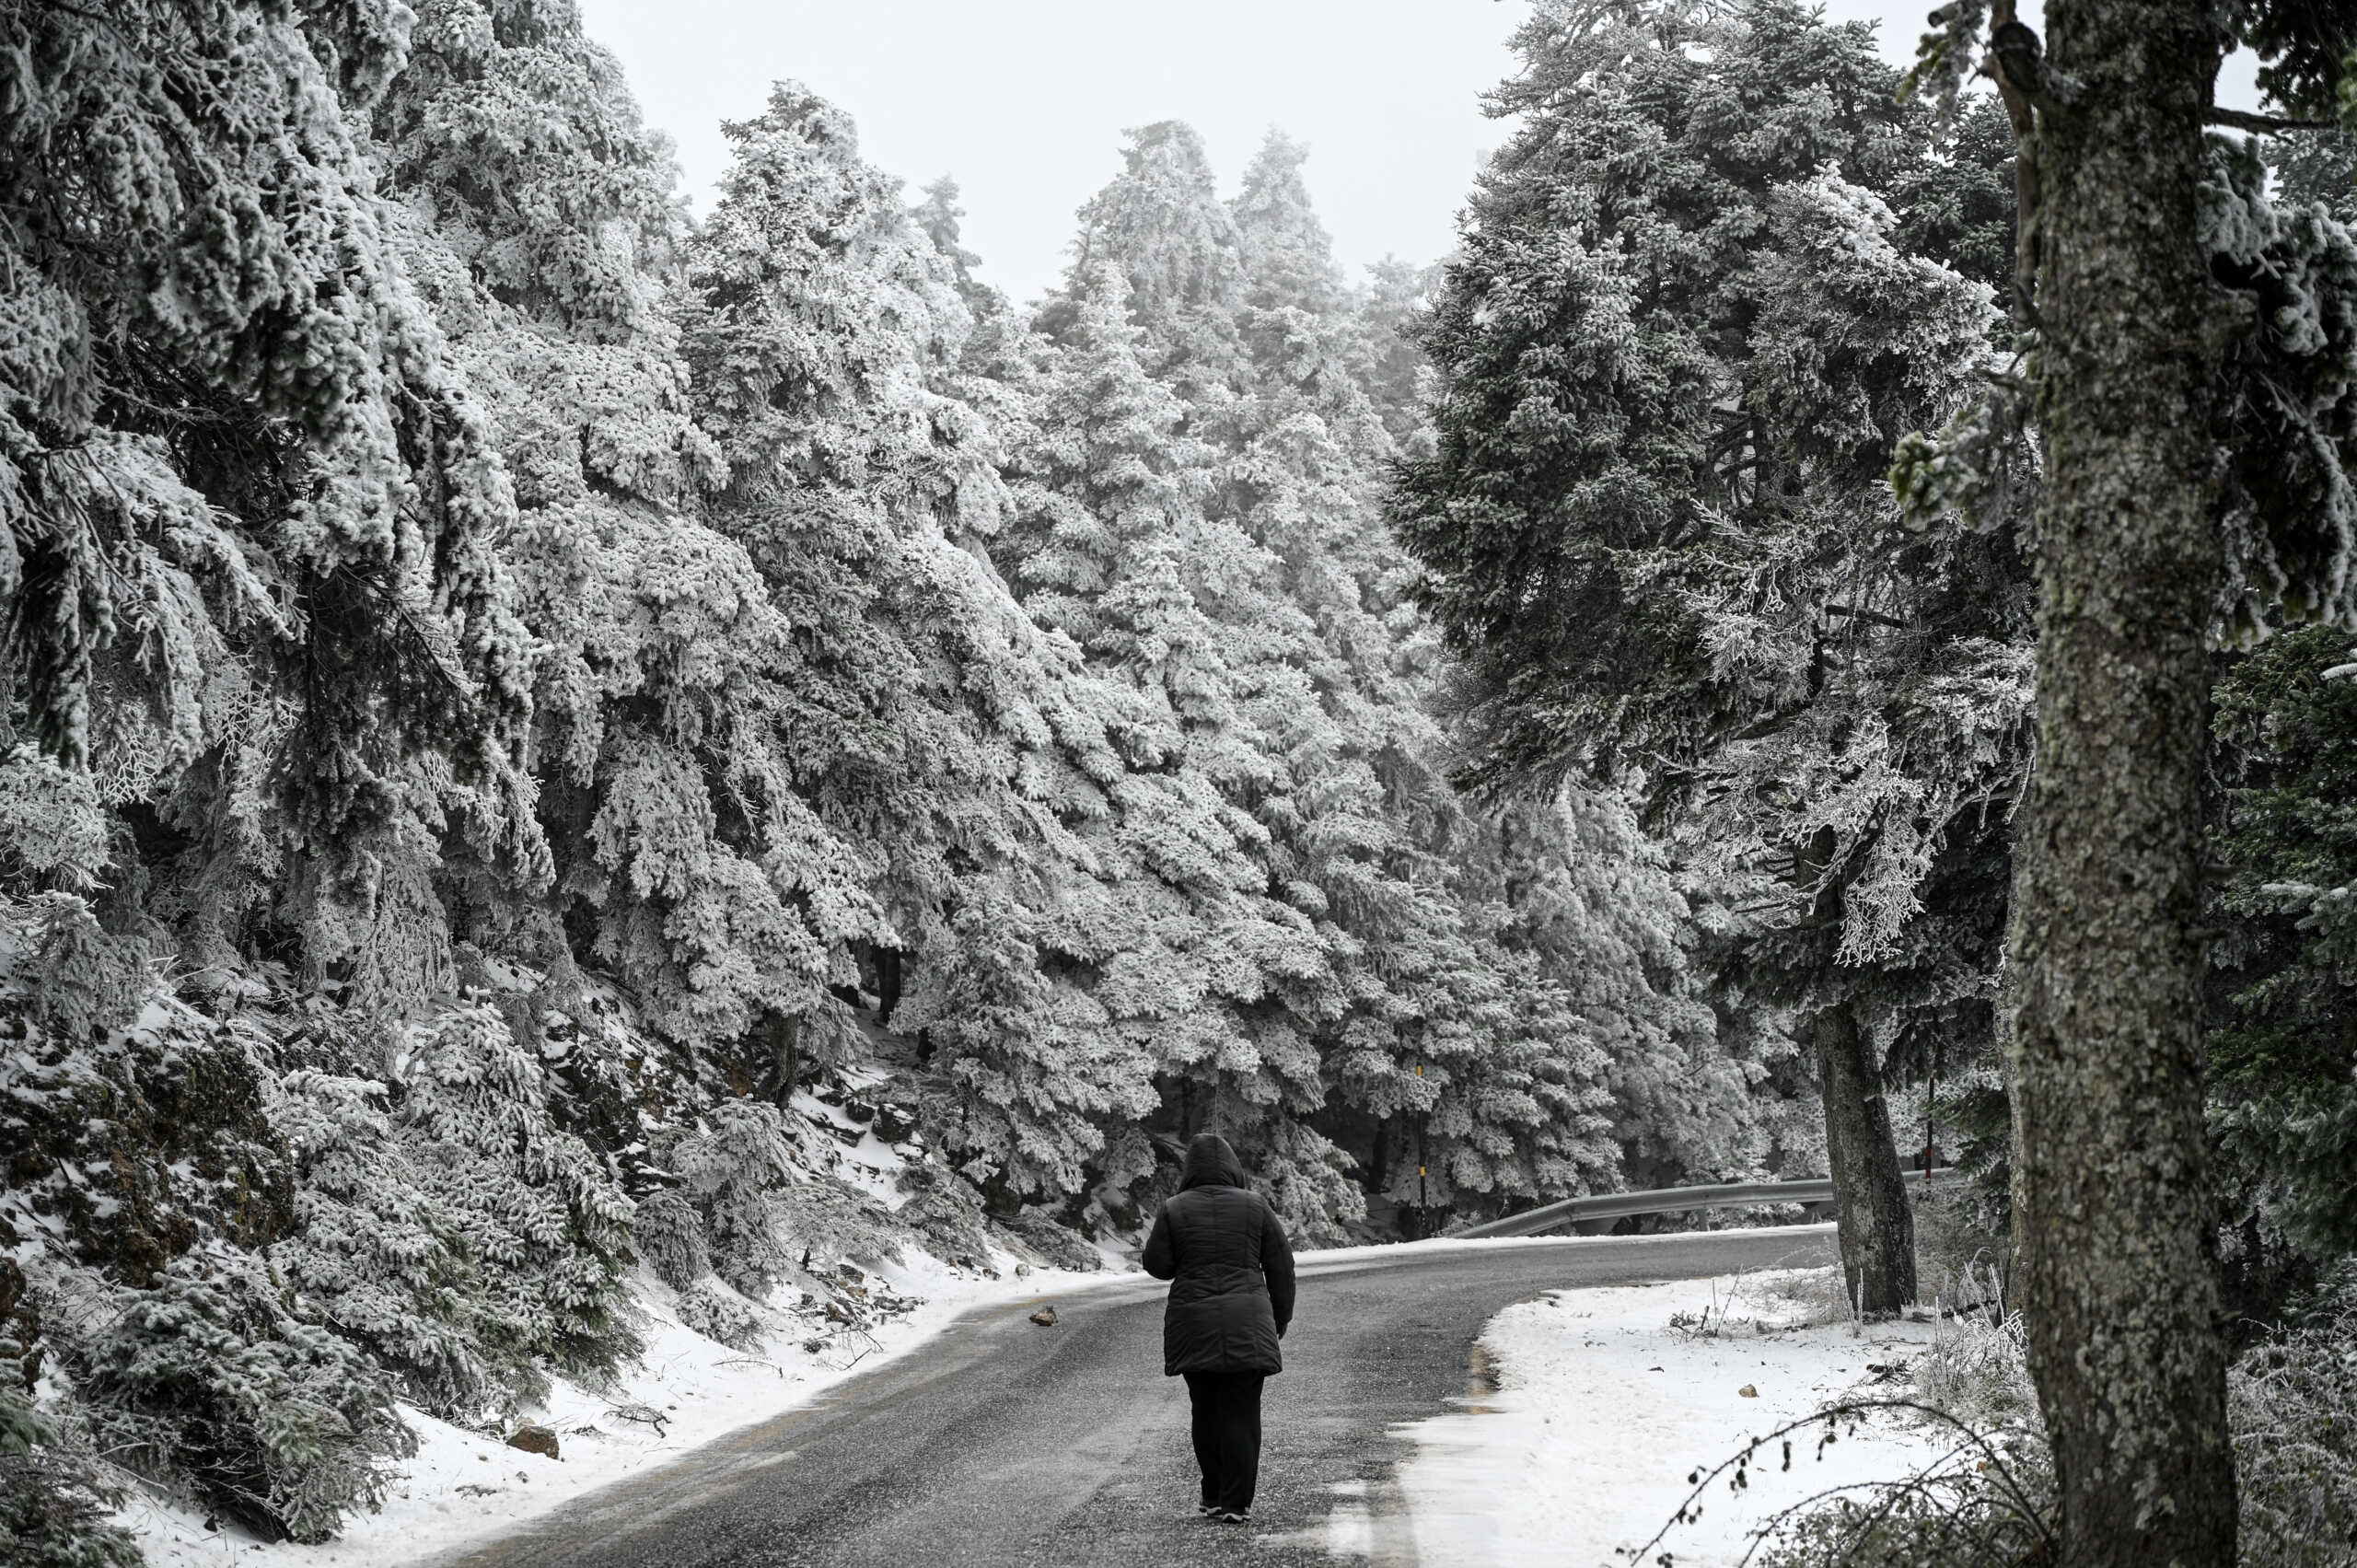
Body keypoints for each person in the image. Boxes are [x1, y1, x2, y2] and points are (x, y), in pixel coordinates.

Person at [1141, 1132, 1296, 1524]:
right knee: (1242, 1413)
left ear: (1189, 1171)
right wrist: (1280, 1318)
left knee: (1205, 1411)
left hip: (1194, 1325)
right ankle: (1236, 1503)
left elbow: (1157, 1265)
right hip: (1249, 1321)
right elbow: (1281, 1267)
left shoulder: (1174, 1209)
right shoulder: (1255, 1206)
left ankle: (1211, 1494)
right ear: (1232, 1168)